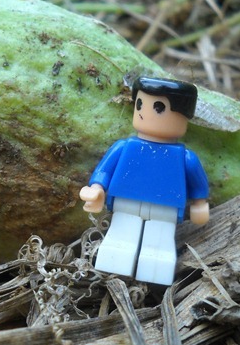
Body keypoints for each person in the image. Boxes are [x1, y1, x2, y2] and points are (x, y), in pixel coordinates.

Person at [80, 77, 209, 285]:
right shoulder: (124, 147)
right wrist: (97, 188)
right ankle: (113, 262)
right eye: (140, 104)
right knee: (120, 235)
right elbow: (104, 170)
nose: (143, 112)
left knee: (159, 243)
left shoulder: (184, 158)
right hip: (126, 202)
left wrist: (199, 203)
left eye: (158, 107)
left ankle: (157, 270)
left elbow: (197, 180)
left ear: (184, 116)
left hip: (164, 208)